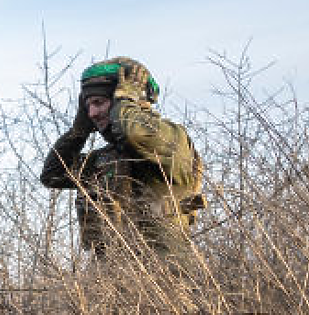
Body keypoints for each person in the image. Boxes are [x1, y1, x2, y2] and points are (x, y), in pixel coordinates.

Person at [40, 57, 204, 258]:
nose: (91, 113)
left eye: (99, 103)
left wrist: (126, 100)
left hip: (164, 277)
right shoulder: (104, 160)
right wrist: (78, 132)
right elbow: (53, 174)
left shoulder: (172, 139)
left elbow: (133, 133)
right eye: (87, 106)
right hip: (110, 281)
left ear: (132, 99)